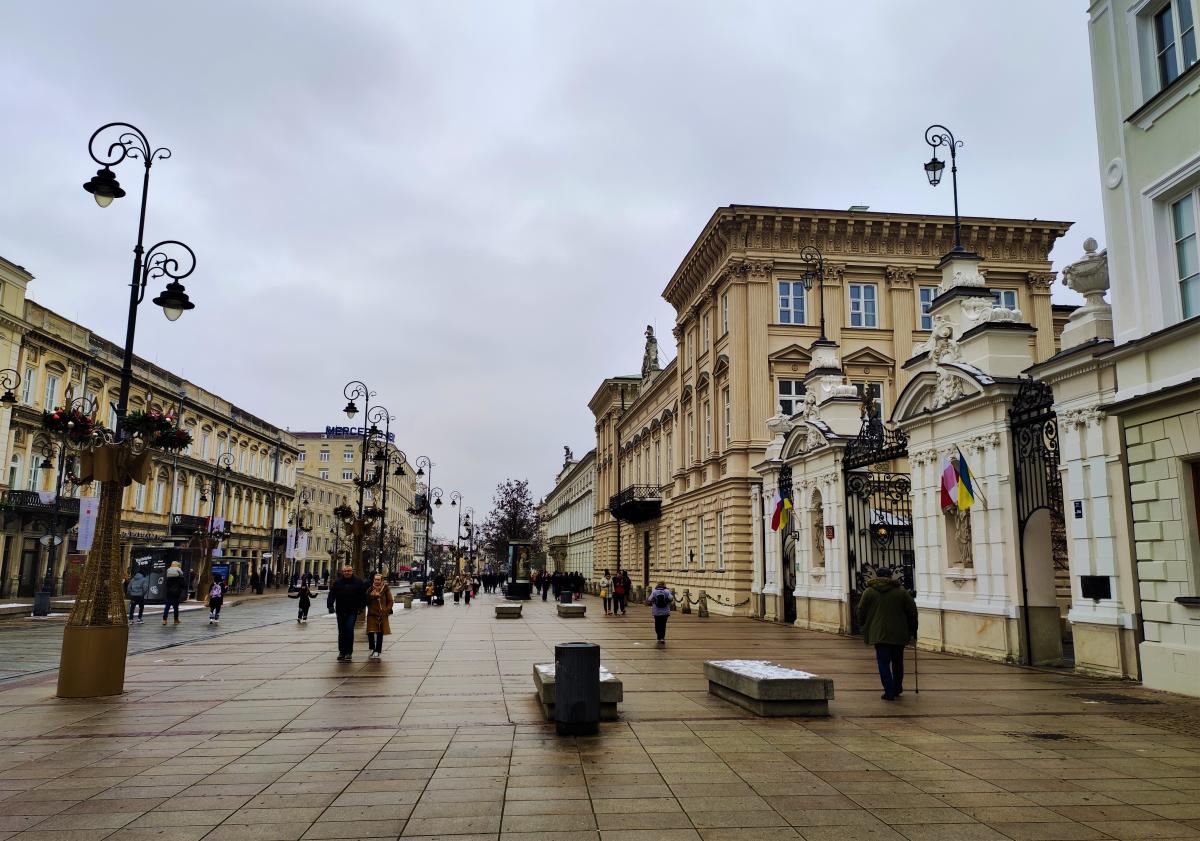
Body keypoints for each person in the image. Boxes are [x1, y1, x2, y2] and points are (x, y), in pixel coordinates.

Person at [855, 567, 918, 701]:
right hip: (899, 633)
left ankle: (888, 690)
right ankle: (897, 687)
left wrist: (863, 626)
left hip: (879, 634)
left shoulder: (869, 592)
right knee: (898, 662)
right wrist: (913, 628)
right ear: (890, 576)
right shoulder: (901, 592)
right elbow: (912, 611)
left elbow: (861, 611)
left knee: (883, 663)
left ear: (877, 576)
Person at [327, 564, 367, 661]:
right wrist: (330, 606)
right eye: (345, 571)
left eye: (348, 571)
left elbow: (363, 595)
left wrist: (361, 607)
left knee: (349, 630)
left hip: (352, 610)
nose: (347, 573)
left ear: (352, 571)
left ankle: (348, 652)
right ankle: (342, 651)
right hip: (340, 610)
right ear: (342, 572)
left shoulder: (358, 582)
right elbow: (331, 594)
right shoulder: (337, 582)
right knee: (341, 632)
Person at [365, 573, 394, 659]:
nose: (377, 581)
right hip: (371, 614)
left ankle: (378, 650)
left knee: (379, 633)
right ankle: (371, 648)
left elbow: (390, 601)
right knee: (370, 632)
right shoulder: (370, 589)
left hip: (382, 614)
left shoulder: (385, 589)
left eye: (378, 580)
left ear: (382, 581)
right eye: (375, 579)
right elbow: (366, 601)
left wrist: (386, 610)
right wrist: (372, 596)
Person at [162, 561, 185, 625]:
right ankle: (176, 619)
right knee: (175, 607)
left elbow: (166, 585)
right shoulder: (180, 577)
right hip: (176, 594)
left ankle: (164, 620)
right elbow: (183, 585)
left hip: (169, 593)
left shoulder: (169, 577)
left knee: (167, 606)